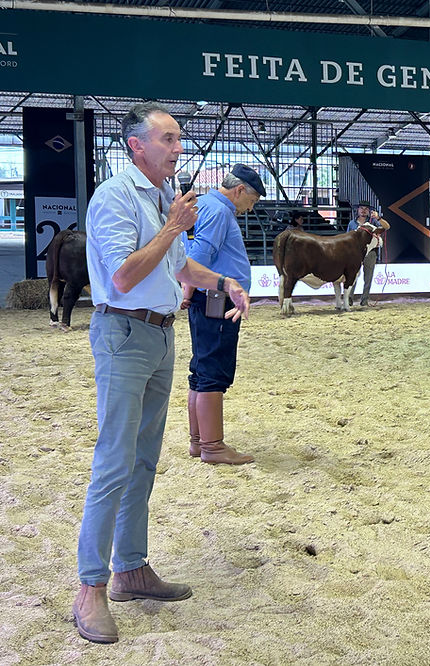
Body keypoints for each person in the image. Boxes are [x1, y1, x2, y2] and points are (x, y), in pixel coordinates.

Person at [75, 102, 249, 644]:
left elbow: (177, 268)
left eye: (177, 139)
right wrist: (174, 226)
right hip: (124, 332)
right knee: (113, 461)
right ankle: (90, 589)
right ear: (137, 146)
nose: (178, 147)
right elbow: (124, 275)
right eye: (169, 139)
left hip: (157, 333)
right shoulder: (114, 197)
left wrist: (222, 282)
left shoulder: (155, 198)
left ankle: (131, 568)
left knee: (144, 458)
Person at [181, 164, 265, 466]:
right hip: (216, 301)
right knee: (213, 372)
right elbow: (197, 258)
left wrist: (189, 296)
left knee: (201, 370)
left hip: (207, 300)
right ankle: (213, 447)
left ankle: (198, 441)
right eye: (252, 201)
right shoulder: (219, 212)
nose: (249, 207)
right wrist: (187, 293)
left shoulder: (207, 206)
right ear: (240, 190)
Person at [345, 200, 390, 306]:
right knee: (352, 276)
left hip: (370, 252)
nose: (363, 211)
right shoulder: (352, 223)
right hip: (355, 253)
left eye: (366, 209)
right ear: (358, 210)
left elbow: (387, 226)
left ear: (369, 211)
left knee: (368, 278)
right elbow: (347, 238)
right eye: (362, 208)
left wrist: (378, 218)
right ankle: (349, 298)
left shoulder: (374, 222)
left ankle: (364, 300)